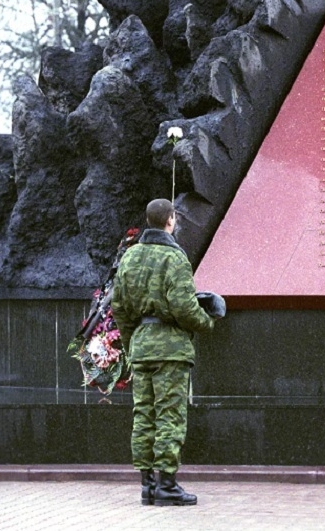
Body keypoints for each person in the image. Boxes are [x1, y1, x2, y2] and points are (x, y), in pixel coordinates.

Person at [112, 199, 215, 507]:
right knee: (170, 415)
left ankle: (147, 486)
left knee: (144, 416)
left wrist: (133, 342)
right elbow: (184, 307)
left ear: (149, 220)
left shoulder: (130, 257)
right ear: (171, 220)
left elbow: (119, 307)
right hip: (171, 350)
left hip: (141, 348)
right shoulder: (175, 257)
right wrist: (207, 321)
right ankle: (167, 485)